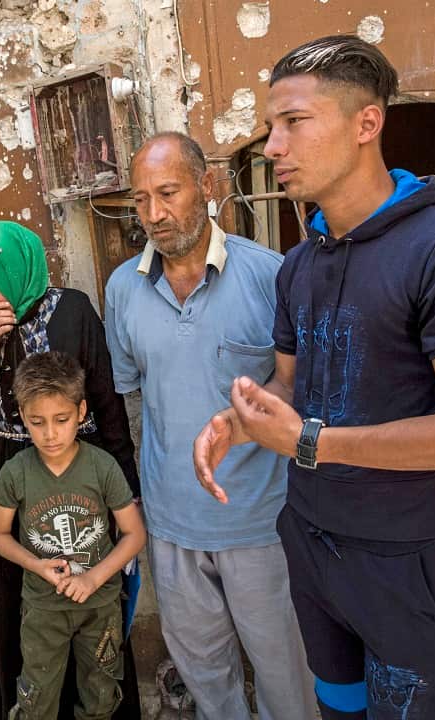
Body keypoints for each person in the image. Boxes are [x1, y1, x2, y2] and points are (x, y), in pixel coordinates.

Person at [193, 35, 435, 719]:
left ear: (366, 123)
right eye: (268, 128)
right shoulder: (300, 266)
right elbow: (289, 386)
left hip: (402, 558)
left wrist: (311, 441)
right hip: (311, 540)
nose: (273, 146)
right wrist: (241, 421)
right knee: (337, 706)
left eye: (293, 122)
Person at [104, 132, 314, 719]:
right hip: (171, 523)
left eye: (168, 193)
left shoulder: (271, 277)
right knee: (204, 672)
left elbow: (296, 391)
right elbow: (135, 397)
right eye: (140, 199)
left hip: (262, 521)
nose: (155, 214)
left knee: (284, 672)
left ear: (209, 186)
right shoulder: (124, 289)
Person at [0, 220, 142, 720]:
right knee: (15, 604)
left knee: (89, 594)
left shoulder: (72, 310)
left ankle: (98, 707)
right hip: (10, 471)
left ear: (14, 271)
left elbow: (106, 400)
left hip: (80, 470)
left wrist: (127, 489)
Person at [0, 351, 146, 720]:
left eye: (61, 419)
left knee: (101, 694)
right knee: (37, 697)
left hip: (100, 605)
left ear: (81, 411)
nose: (50, 433)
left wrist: (93, 577)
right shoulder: (16, 473)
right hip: (43, 609)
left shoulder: (101, 466)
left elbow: (134, 535)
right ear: (22, 416)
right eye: (37, 422)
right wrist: (37, 565)